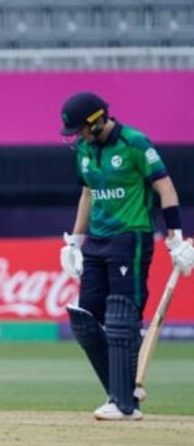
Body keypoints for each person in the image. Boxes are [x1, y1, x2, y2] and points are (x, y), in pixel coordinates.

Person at [59, 91, 194, 421]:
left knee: (121, 317)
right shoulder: (85, 150)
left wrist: (175, 239)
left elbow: (165, 188)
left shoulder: (135, 143)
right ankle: (124, 391)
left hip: (130, 237)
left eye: (81, 129)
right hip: (97, 241)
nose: (78, 136)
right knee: (85, 320)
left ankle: (123, 404)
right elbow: (88, 193)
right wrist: (74, 241)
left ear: (99, 119)